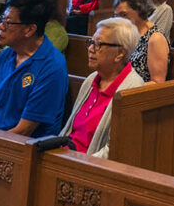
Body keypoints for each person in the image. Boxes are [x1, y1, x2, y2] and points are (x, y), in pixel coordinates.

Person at [60, 17, 143, 155]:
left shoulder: (132, 89)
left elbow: (114, 151)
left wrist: (77, 164)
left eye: (98, 44)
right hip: (67, 155)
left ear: (120, 53)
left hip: (88, 166)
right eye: (90, 42)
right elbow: (69, 132)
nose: (91, 49)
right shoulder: (91, 79)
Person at [0, 0, 68, 136]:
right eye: (1, 19)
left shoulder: (52, 67)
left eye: (8, 22)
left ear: (29, 29)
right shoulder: (8, 53)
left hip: (23, 149)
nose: (0, 27)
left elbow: (24, 130)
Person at [113, 0, 170, 83]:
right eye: (116, 16)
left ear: (140, 10)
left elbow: (157, 82)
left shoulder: (155, 38)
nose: (119, 20)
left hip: (138, 94)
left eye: (124, 14)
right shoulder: (124, 34)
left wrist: (124, 89)